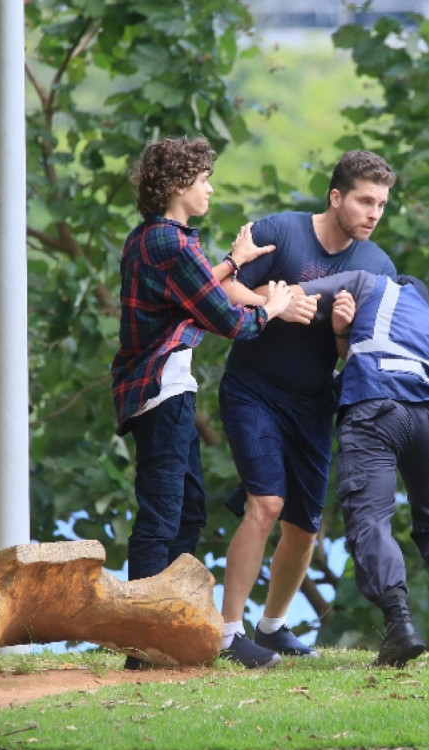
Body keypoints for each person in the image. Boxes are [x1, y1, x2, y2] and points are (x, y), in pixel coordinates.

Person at [110, 135, 296, 670]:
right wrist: (273, 305)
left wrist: (232, 263)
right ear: (177, 187)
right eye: (202, 180)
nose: (210, 188)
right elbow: (229, 320)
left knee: (187, 509)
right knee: (162, 516)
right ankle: (143, 644)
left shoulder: (150, 239)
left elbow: (187, 298)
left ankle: (180, 629)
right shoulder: (174, 244)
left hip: (164, 390)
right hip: (162, 392)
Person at [217, 150, 398, 669]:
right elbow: (223, 289)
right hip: (253, 388)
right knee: (266, 504)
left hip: (315, 402)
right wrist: (271, 306)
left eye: (382, 205)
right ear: (336, 197)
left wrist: (342, 331)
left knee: (304, 528)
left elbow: (358, 356)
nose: (374, 213)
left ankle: (271, 627)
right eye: (365, 200)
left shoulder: (377, 267)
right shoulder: (281, 231)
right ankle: (230, 634)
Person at [293, 270, 429, 667]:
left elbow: (298, 297)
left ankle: (400, 626)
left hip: (376, 411)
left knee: (370, 520)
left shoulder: (372, 285)